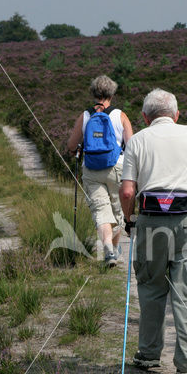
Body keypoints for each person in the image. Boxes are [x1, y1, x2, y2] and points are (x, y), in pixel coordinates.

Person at [120, 88, 187, 374]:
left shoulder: (137, 140)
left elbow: (127, 190)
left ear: (144, 117)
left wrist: (129, 219)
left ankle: (149, 356)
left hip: (152, 223)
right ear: (177, 115)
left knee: (151, 288)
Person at [68, 75, 133, 266]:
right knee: (117, 210)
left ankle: (108, 249)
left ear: (93, 93)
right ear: (112, 94)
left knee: (100, 210)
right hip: (117, 168)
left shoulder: (86, 115)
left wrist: (76, 150)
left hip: (91, 169)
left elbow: (71, 145)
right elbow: (132, 146)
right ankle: (113, 250)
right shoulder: (121, 115)